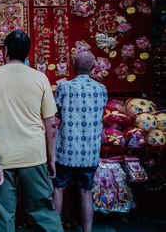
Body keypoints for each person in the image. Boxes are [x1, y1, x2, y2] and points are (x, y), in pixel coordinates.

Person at [0, 30, 63, 232]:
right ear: (27, 54)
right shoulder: (40, 79)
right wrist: (52, 157)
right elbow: (51, 125)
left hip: (2, 158)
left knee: (2, 217)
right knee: (44, 212)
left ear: (5, 52)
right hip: (34, 155)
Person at [53, 51, 108, 232]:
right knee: (86, 191)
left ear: (72, 66)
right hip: (90, 151)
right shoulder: (101, 89)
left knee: (59, 188)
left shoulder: (64, 88)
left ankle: (55, 229)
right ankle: (87, 230)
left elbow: (55, 113)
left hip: (66, 150)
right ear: (93, 67)